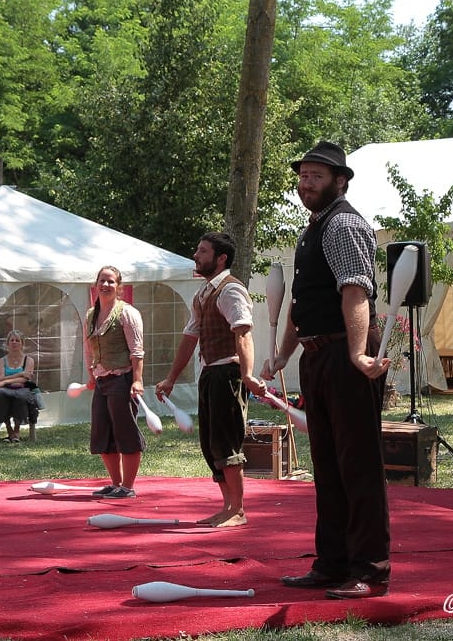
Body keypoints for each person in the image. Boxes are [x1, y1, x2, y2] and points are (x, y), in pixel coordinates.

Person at [262, 141, 392, 599]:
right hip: (318, 357)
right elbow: (303, 302)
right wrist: (282, 355)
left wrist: (358, 354)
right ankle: (332, 564)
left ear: (340, 181)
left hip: (343, 355)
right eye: (303, 175)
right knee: (328, 466)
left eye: (317, 176)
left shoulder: (343, 225)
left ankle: (369, 571)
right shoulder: (311, 230)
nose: (306, 183)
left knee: (356, 466)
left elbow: (355, 292)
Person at [156, 233, 266, 527]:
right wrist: (170, 379)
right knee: (211, 443)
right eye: (197, 249)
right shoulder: (202, 294)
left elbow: (243, 334)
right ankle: (228, 506)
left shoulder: (231, 291)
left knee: (227, 442)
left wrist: (247, 375)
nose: (195, 255)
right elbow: (190, 338)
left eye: (202, 251)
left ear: (221, 259)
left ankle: (238, 510)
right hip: (210, 375)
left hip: (227, 375)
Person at [83, 266, 146, 499]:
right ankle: (116, 483)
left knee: (125, 433)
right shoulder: (91, 315)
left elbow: (137, 351)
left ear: (118, 286)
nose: (106, 285)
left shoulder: (127, 313)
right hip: (102, 380)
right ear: (96, 284)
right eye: (102, 280)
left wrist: (137, 380)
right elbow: (88, 348)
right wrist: (91, 375)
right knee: (102, 434)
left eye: (111, 281)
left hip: (122, 379)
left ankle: (128, 487)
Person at [0, 330, 37, 443]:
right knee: (0, 395)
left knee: (21, 396)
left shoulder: (29, 360)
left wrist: (6, 381)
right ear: (7, 343)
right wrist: (20, 373)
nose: (14, 342)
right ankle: (9, 429)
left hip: (22, 388)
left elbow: (25, 379)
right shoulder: (1, 361)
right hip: (4, 390)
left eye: (17, 340)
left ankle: (16, 431)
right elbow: (0, 378)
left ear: (22, 343)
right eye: (12, 340)